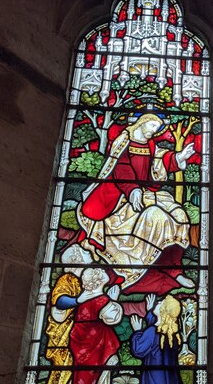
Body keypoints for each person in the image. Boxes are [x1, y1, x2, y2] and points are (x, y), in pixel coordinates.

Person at [77, 113, 196, 298]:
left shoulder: (149, 144)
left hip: (147, 192)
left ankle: (174, 269)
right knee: (156, 217)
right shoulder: (124, 141)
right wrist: (132, 190)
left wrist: (179, 157)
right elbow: (120, 168)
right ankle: (130, 271)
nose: (153, 132)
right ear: (142, 123)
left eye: (156, 130)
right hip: (121, 196)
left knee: (180, 216)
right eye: (151, 127)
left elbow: (159, 159)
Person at [49, 268, 123, 384]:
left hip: (81, 340)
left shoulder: (81, 301)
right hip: (97, 346)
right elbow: (113, 318)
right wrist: (113, 299)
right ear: (99, 281)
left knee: (80, 379)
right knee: (93, 380)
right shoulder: (102, 300)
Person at [30, 245, 93, 384]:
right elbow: (59, 301)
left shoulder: (81, 280)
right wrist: (79, 300)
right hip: (63, 338)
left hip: (77, 336)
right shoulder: (67, 279)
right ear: (76, 261)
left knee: (72, 377)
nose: (89, 253)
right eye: (85, 252)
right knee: (60, 378)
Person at [127, 294, 195, 384]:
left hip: (154, 376)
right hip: (169, 378)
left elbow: (138, 350)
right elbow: (156, 325)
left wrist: (137, 331)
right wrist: (150, 310)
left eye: (160, 304)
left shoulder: (152, 332)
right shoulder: (172, 334)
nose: (157, 303)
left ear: (163, 311)